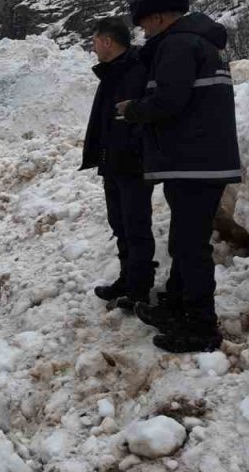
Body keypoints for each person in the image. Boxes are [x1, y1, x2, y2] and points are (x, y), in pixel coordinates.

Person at [117, 0, 242, 354]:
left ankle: (201, 325)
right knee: (184, 241)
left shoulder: (177, 44)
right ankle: (177, 304)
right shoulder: (201, 44)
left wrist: (133, 110)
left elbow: (170, 100)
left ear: (157, 17)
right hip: (199, 161)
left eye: (144, 25)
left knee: (190, 246)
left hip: (194, 161)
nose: (144, 32)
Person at [80, 17, 155, 311]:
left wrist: (132, 148)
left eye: (95, 40)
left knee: (136, 225)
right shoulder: (113, 72)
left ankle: (139, 287)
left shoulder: (135, 69)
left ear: (107, 41)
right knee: (120, 224)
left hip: (132, 162)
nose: (92, 47)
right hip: (113, 161)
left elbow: (141, 116)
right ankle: (127, 279)